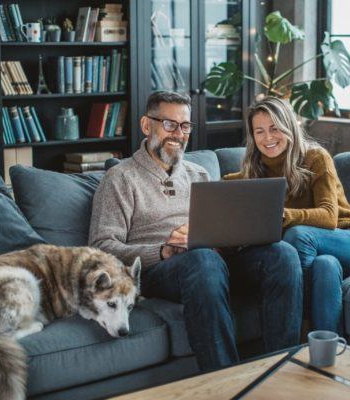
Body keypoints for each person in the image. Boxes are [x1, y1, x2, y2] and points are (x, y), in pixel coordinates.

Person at [89, 91, 303, 370]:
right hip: (160, 271)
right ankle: (224, 381)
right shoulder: (119, 178)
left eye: (185, 126)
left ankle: (282, 371)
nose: (178, 134)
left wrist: (228, 238)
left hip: (210, 261)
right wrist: (163, 251)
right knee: (203, 260)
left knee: (282, 254)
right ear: (146, 125)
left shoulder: (198, 174)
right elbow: (101, 247)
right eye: (169, 124)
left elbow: (219, 232)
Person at [224, 97, 350, 334]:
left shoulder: (316, 158)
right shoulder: (252, 175)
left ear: (289, 126)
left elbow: (329, 216)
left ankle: (299, 329)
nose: (268, 138)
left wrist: (283, 215)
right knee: (324, 266)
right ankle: (327, 354)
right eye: (259, 131)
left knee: (299, 235)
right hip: (321, 255)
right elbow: (229, 193)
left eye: (275, 128)